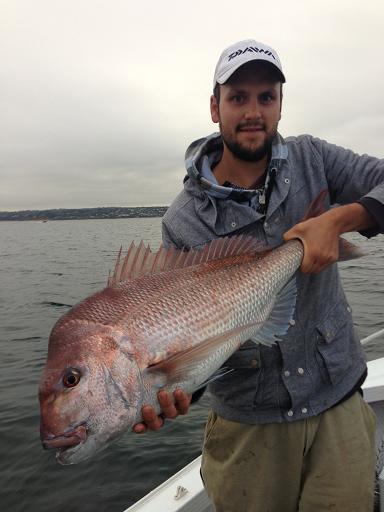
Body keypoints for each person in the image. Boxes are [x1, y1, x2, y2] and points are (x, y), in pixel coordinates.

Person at [133, 39, 384, 511]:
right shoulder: (182, 222)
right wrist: (177, 388)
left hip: (338, 405)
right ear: (215, 107)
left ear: (281, 105)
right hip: (248, 427)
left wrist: (338, 219)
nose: (253, 111)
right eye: (238, 97)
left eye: (266, 97)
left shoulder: (315, 159)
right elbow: (194, 342)